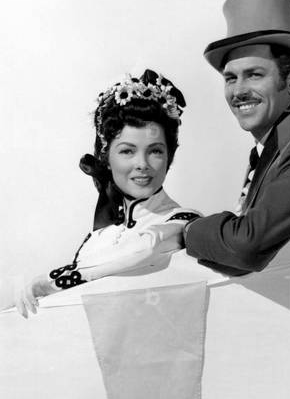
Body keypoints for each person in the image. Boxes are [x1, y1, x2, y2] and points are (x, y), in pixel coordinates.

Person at [181, 0, 290, 275]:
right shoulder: (280, 139)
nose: (238, 91)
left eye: (254, 75)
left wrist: (187, 229)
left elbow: (246, 246)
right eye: (230, 78)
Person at [13, 70, 200, 317]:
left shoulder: (181, 221)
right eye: (127, 151)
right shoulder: (98, 236)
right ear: (107, 158)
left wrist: (49, 282)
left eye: (155, 151)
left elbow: (141, 250)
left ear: (169, 157)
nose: (142, 164)